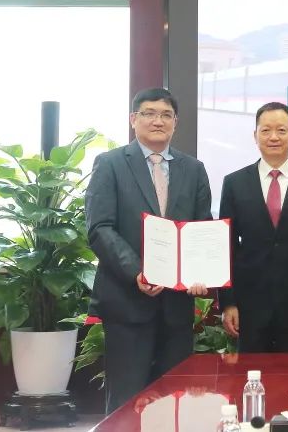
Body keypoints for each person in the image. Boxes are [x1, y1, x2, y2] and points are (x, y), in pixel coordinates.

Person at [86, 88, 212, 412]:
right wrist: (137, 272)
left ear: (175, 122)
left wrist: (200, 273)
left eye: (166, 115)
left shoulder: (193, 169)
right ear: (133, 119)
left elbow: (201, 229)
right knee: (127, 401)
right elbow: (100, 228)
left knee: (175, 400)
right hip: (127, 303)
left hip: (176, 308)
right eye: (150, 113)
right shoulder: (110, 164)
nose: (158, 121)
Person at [218, 102, 288, 352]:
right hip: (250, 303)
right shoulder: (234, 183)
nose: (273, 137)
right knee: (252, 370)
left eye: (281, 130)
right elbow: (226, 248)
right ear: (255, 135)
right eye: (266, 130)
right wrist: (228, 303)